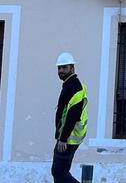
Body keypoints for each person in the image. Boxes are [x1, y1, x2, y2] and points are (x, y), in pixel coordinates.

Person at [52, 52, 88, 183]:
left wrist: (63, 139)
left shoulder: (74, 87)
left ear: (72, 68)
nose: (61, 70)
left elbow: (72, 116)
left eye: (64, 67)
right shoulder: (69, 84)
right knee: (59, 172)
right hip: (67, 137)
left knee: (59, 172)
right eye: (59, 68)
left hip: (68, 139)